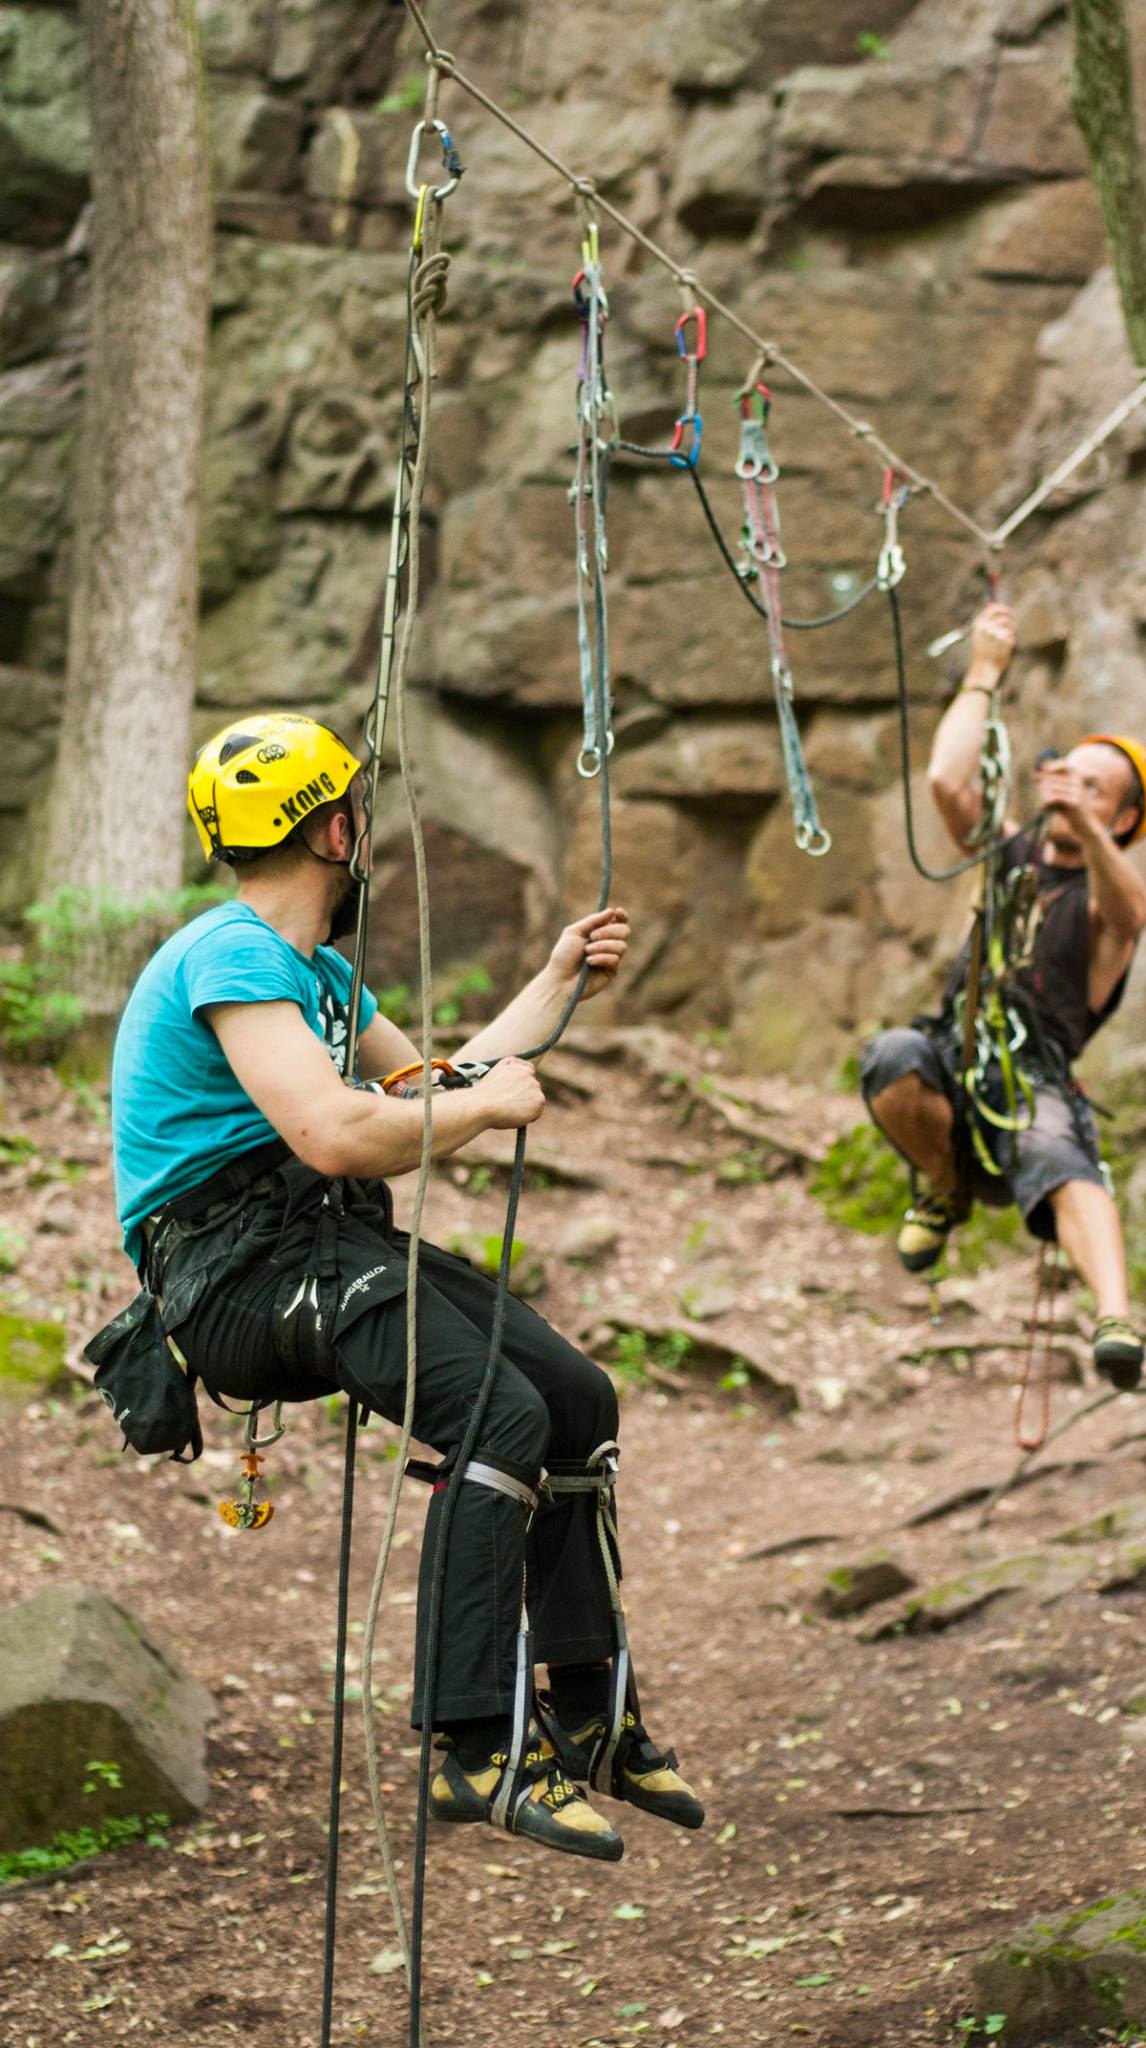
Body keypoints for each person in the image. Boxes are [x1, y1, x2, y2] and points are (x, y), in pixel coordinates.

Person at [101, 711, 702, 1863]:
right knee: (496, 1410)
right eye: (359, 813)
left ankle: (589, 1702)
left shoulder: (315, 973)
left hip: (317, 1252)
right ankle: (475, 1740)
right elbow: (336, 1131)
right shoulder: (231, 955)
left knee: (575, 1395)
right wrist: (483, 1108)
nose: (365, 829)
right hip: (240, 1277)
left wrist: (553, 979)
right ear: (337, 827)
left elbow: (430, 1080)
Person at [859, 603, 1146, 1388]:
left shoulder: (1104, 899)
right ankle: (942, 1184)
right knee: (890, 1058)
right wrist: (986, 671)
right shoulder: (1011, 849)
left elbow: (1132, 912)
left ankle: (1116, 1319)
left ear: (1123, 818)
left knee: (1065, 1159)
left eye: (1097, 790)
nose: (1075, 793)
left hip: (1034, 1086)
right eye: (1070, 777)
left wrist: (1084, 827)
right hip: (958, 1067)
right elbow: (944, 780)